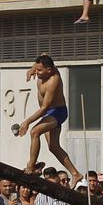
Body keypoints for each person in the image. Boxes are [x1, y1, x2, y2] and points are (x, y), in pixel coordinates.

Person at [17, 55, 81, 184]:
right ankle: (76, 174)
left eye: (40, 70)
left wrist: (27, 122)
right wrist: (31, 68)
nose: (37, 72)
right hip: (49, 113)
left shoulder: (53, 80)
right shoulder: (42, 68)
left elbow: (44, 108)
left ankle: (31, 166)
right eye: (37, 69)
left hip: (57, 112)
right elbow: (44, 54)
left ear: (49, 70)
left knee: (35, 132)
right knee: (53, 147)